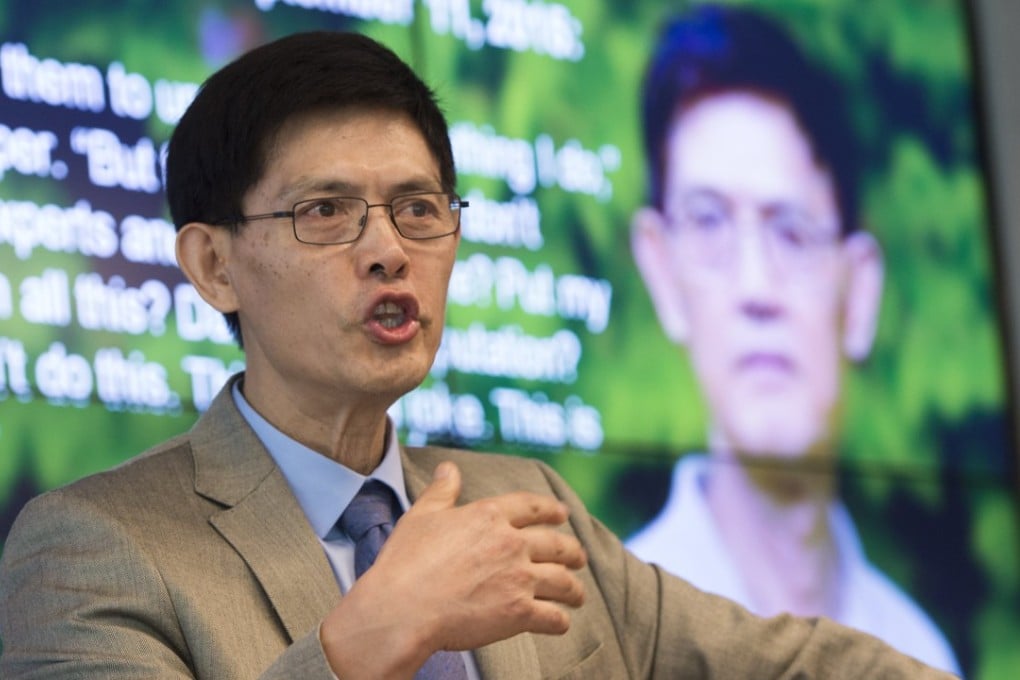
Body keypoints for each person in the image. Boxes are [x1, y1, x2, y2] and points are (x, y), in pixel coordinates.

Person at [0, 29, 956, 679]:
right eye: (326, 211)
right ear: (214, 267)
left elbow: (790, 665)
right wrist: (365, 643)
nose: (389, 249)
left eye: (419, 209)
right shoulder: (93, 548)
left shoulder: (523, 503)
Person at [626, 5, 959, 675]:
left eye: (792, 231)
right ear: (662, 272)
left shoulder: (921, 657)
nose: (756, 287)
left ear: (859, 292)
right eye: (709, 222)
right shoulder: (610, 637)